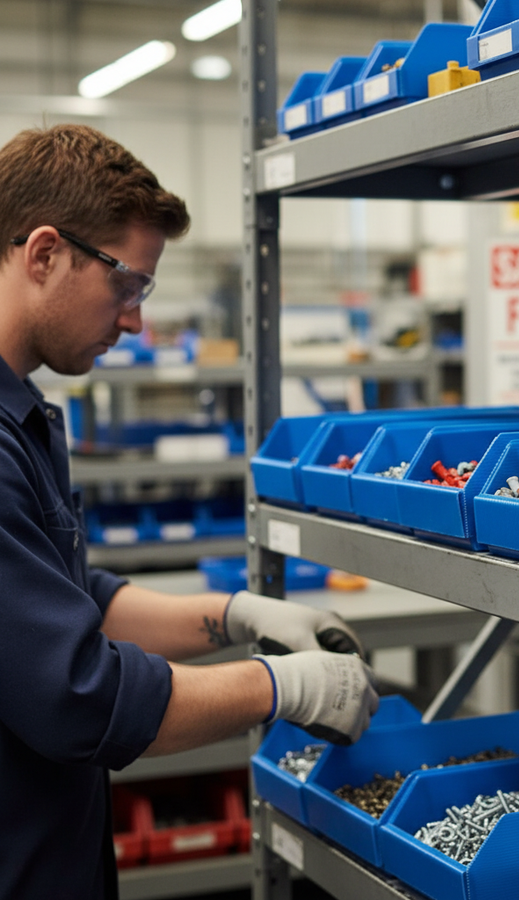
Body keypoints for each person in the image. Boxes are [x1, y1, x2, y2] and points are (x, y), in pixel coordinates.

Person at [0, 124, 380, 900]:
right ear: (43, 255)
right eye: (128, 285)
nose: (135, 319)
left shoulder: (24, 413)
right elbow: (83, 695)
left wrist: (238, 615)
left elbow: (72, 603)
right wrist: (284, 686)